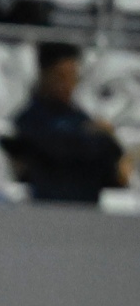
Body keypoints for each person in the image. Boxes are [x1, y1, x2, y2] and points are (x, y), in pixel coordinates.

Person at [8, 45, 133, 206]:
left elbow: (111, 160)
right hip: (46, 208)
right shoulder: (29, 120)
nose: (68, 84)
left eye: (73, 77)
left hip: (86, 210)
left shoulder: (81, 119)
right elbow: (50, 145)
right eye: (61, 76)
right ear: (45, 75)